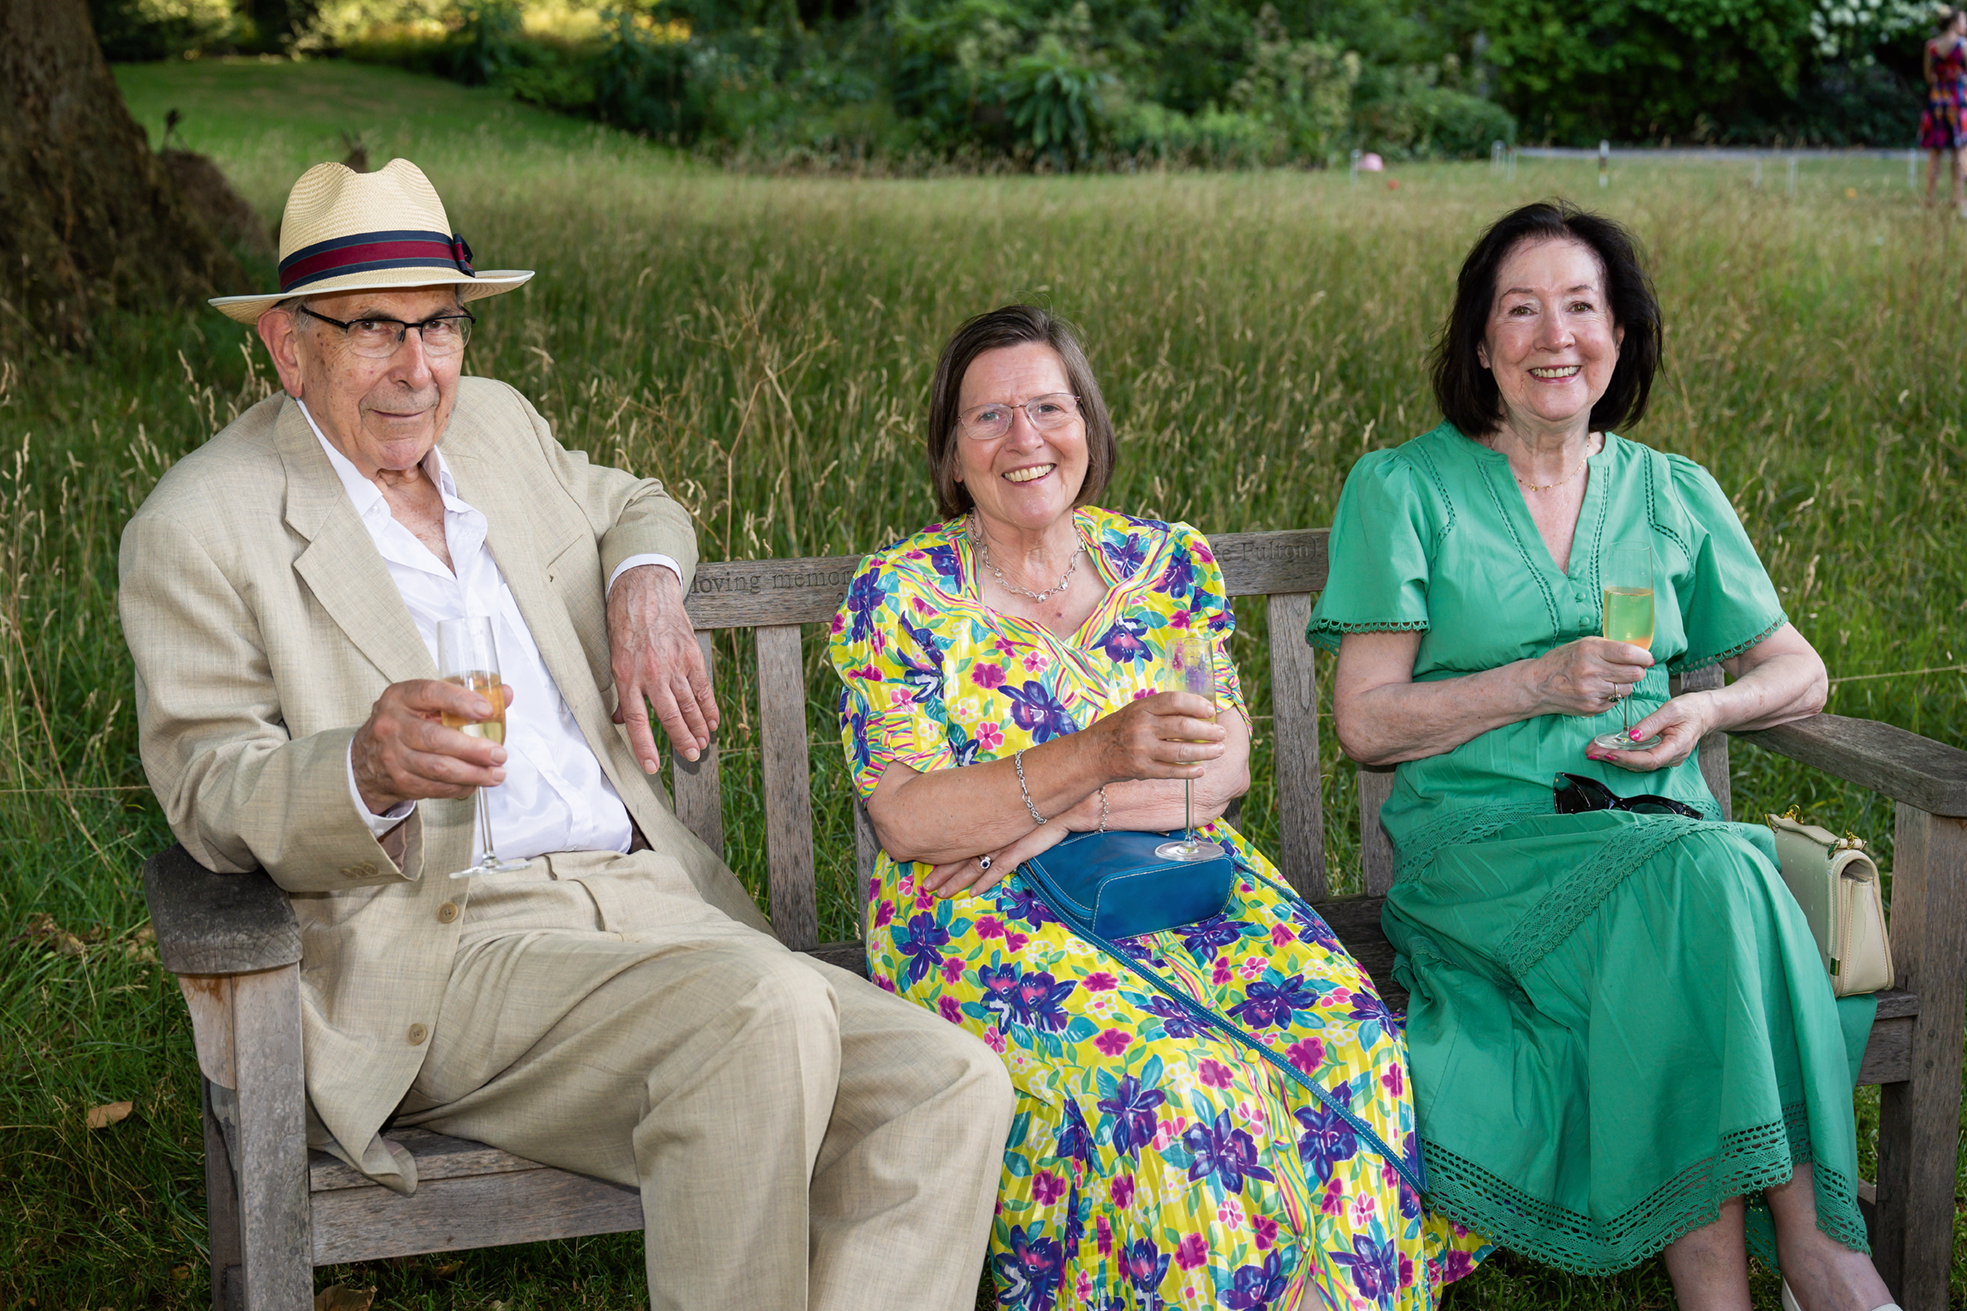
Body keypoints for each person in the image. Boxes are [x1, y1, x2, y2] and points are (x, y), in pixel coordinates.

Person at [118, 157, 1011, 1311]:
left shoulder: (493, 427)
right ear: (289, 347)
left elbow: (636, 501)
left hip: (646, 906)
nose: (415, 367)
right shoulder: (201, 522)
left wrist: (642, 581)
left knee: (949, 1084)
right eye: (372, 329)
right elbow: (204, 780)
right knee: (759, 1014)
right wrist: (361, 768)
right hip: (444, 951)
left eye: (438, 325)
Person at [825, 305, 1492, 1311]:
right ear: (950, 453)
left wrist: (1064, 814)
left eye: (1047, 407)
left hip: (1185, 881)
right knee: (1171, 1084)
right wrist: (1097, 752)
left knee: (1349, 1040)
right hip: (980, 916)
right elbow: (910, 823)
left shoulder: (1164, 564)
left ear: (1085, 424)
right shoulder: (898, 596)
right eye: (988, 418)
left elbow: (1217, 767)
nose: (1024, 440)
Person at [1309, 201, 1901, 1311]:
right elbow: (1364, 722)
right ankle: (1825, 1251)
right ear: (1479, 343)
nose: (1553, 336)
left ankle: (1726, 1290)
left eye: (1580, 307)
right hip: (1485, 857)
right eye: (1519, 309)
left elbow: (1798, 671)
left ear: (1619, 334)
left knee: (1697, 890)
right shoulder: (1401, 490)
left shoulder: (1670, 492)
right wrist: (1531, 683)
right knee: (1718, 880)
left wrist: (1705, 716)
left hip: (1660, 853)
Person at [1920, 8, 1967, 217]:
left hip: (1937, 102)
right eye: (1964, 20)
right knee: (1959, 152)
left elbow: (1929, 78)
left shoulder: (1931, 47)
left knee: (1935, 152)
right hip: (1958, 102)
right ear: (1954, 23)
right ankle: (1958, 199)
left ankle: (1929, 199)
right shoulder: (1963, 47)